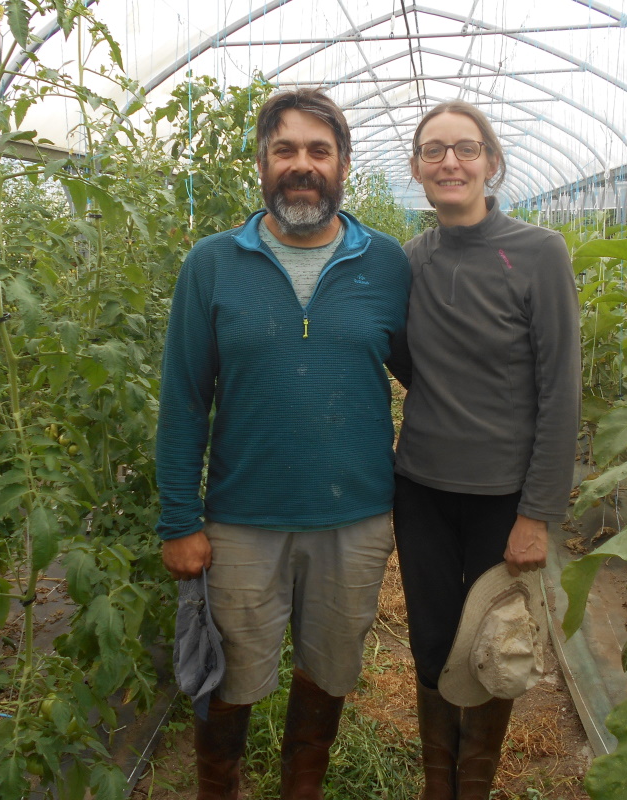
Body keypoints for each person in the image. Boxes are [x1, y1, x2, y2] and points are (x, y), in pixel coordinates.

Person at [155, 88, 411, 800]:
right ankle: (221, 788)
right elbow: (183, 398)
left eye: (318, 151)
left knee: (328, 673)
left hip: (354, 522)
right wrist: (180, 520)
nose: (303, 166)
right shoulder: (212, 264)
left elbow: (431, 377)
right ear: (261, 164)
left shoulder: (386, 265)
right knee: (230, 678)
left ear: (344, 166)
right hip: (241, 522)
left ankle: (303, 788)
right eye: (286, 150)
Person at [391, 101, 581, 800]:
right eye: (434, 151)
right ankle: (437, 787)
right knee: (432, 645)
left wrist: (538, 513)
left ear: (491, 163)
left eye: (465, 149)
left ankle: (472, 789)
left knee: (496, 646)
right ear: (417, 169)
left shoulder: (537, 252)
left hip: (503, 498)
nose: (450, 163)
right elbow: (405, 357)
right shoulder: (410, 260)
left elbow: (561, 391)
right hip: (421, 490)